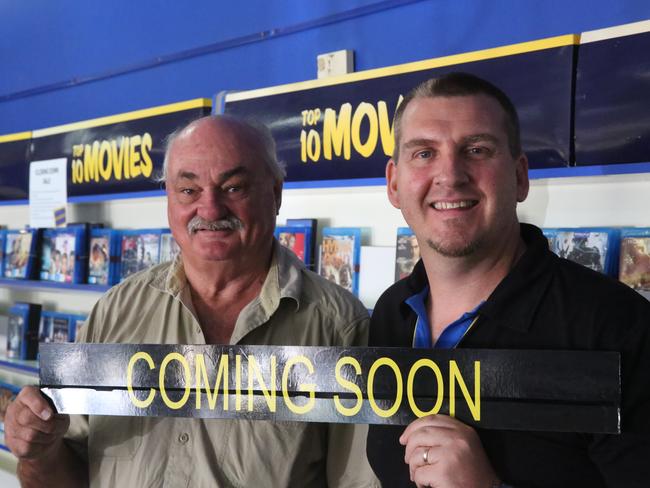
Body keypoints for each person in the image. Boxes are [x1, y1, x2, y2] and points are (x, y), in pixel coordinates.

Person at [5, 115, 379, 488]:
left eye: (234, 187)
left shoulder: (339, 326)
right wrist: (40, 450)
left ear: (276, 194)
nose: (211, 209)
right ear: (168, 197)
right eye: (188, 190)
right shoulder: (115, 311)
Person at [366, 72, 650, 487]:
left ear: (519, 177)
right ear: (394, 183)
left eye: (476, 149)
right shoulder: (393, 313)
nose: (450, 174)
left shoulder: (618, 327)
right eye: (424, 153)